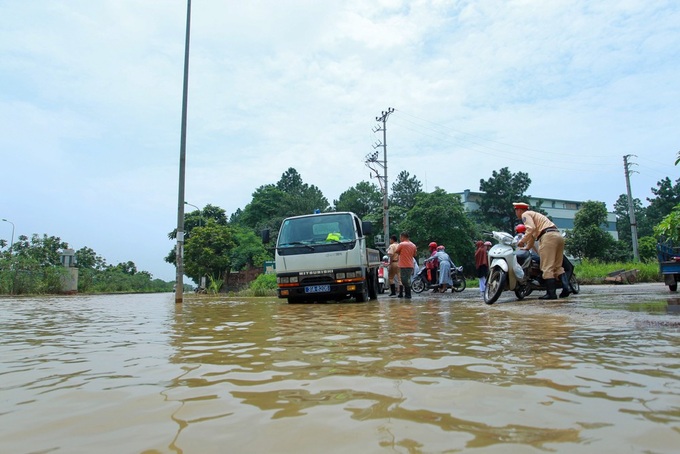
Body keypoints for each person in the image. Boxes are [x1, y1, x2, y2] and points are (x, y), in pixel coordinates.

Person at [513, 202, 570, 300]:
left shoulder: (525, 214)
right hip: (557, 236)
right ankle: (566, 287)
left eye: (515, 211)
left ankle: (551, 294)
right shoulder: (536, 215)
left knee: (546, 266)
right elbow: (532, 235)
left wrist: (522, 241)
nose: (516, 213)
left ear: (519, 210)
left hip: (547, 237)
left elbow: (530, 229)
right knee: (557, 266)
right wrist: (527, 247)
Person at [395, 231, 417, 299]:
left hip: (404, 265)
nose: (400, 239)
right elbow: (415, 254)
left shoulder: (402, 244)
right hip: (410, 265)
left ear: (402, 237)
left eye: (400, 237)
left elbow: (397, 251)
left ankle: (408, 295)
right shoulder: (413, 245)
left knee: (404, 280)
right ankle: (407, 294)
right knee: (406, 279)